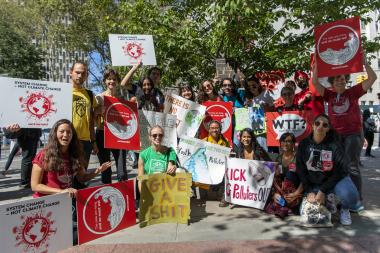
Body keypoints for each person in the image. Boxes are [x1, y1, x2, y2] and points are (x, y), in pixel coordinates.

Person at [312, 55, 377, 201]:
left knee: (352, 166)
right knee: (335, 167)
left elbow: (372, 78)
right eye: (337, 79)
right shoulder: (329, 94)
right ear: (332, 83)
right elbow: (315, 82)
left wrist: (365, 63)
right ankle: (339, 197)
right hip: (336, 136)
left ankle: (356, 200)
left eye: (343, 79)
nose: (341, 81)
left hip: (352, 135)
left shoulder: (353, 92)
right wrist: (317, 65)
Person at [296, 114, 362, 225]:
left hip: (333, 182)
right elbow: (300, 169)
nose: (320, 126)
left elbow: (342, 169)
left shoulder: (334, 145)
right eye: (317, 123)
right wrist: (309, 190)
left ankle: (343, 208)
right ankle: (329, 200)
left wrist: (323, 190)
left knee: (351, 196)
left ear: (328, 129)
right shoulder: (304, 144)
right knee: (311, 210)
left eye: (324, 125)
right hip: (314, 184)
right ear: (312, 126)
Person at [30, 119, 112, 198]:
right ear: (55, 134)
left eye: (69, 132)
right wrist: (61, 191)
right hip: (46, 202)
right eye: (62, 131)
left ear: (73, 135)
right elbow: (35, 186)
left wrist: (98, 171)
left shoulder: (75, 154)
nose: (65, 135)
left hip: (65, 201)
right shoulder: (43, 155)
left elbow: (82, 178)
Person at [94, 69, 128, 184]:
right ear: (104, 81)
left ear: (117, 81)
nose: (112, 81)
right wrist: (99, 110)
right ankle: (107, 195)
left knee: (122, 170)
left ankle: (124, 192)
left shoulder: (121, 99)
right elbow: (92, 118)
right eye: (109, 79)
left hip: (119, 134)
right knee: (106, 168)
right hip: (102, 133)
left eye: (114, 79)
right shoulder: (99, 97)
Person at [266, 133, 302, 218]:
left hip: (296, 190)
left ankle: (287, 204)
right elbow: (276, 179)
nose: (285, 144)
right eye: (283, 141)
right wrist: (276, 193)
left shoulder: (299, 158)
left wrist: (295, 194)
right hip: (283, 190)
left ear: (293, 144)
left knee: (290, 174)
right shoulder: (278, 158)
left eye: (288, 141)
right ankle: (283, 204)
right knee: (276, 175)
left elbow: (305, 179)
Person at [70, 61, 98, 168]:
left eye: (83, 73)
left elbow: (91, 120)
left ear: (86, 75)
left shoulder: (90, 94)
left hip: (85, 142)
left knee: (82, 177)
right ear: (70, 72)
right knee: (66, 178)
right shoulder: (62, 92)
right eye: (77, 72)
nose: (80, 75)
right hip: (68, 140)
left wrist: (93, 141)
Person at [138, 125, 177, 192]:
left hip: (165, 189)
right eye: (154, 135)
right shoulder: (143, 154)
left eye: (160, 135)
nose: (158, 137)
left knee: (180, 171)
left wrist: (172, 165)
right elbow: (140, 178)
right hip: (150, 188)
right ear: (150, 137)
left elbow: (172, 160)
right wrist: (143, 195)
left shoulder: (170, 151)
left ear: (163, 137)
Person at [203, 120, 230, 207]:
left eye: (217, 128)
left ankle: (224, 197)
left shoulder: (225, 142)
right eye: (212, 128)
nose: (215, 130)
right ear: (209, 130)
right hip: (208, 171)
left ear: (220, 129)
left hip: (220, 170)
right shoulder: (204, 141)